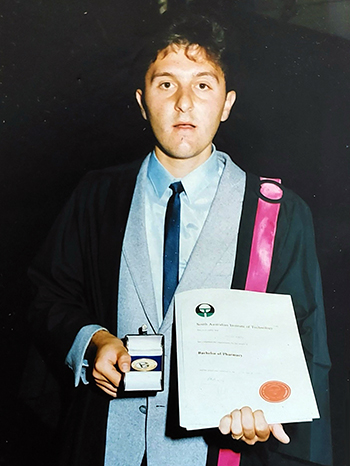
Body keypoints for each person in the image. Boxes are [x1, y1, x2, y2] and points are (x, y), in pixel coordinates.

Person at [28, 13, 332, 466]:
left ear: (227, 103)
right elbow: (49, 295)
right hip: (106, 443)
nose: (184, 103)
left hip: (218, 452)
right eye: (166, 84)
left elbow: (304, 343)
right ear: (141, 100)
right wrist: (91, 341)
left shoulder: (278, 213)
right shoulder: (97, 195)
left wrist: (270, 408)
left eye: (203, 86)